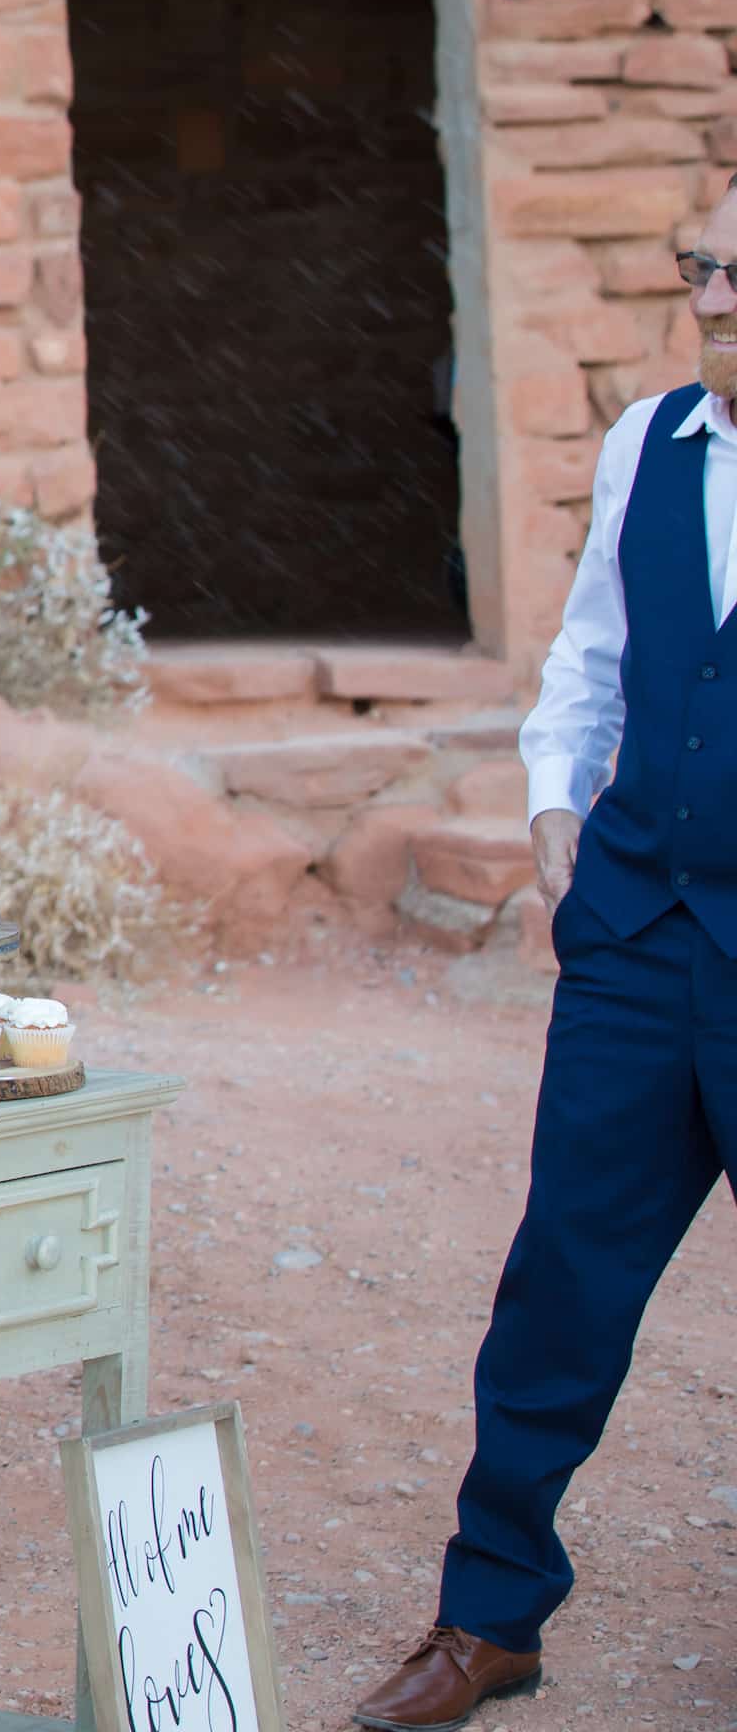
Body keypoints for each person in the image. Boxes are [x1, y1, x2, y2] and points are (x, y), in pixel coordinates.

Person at [354, 189, 737, 1732]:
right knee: (562, 1287)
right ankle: (490, 1616)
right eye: (702, 267)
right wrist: (555, 809)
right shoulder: (650, 440)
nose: (712, 298)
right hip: (641, 937)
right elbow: (591, 653)